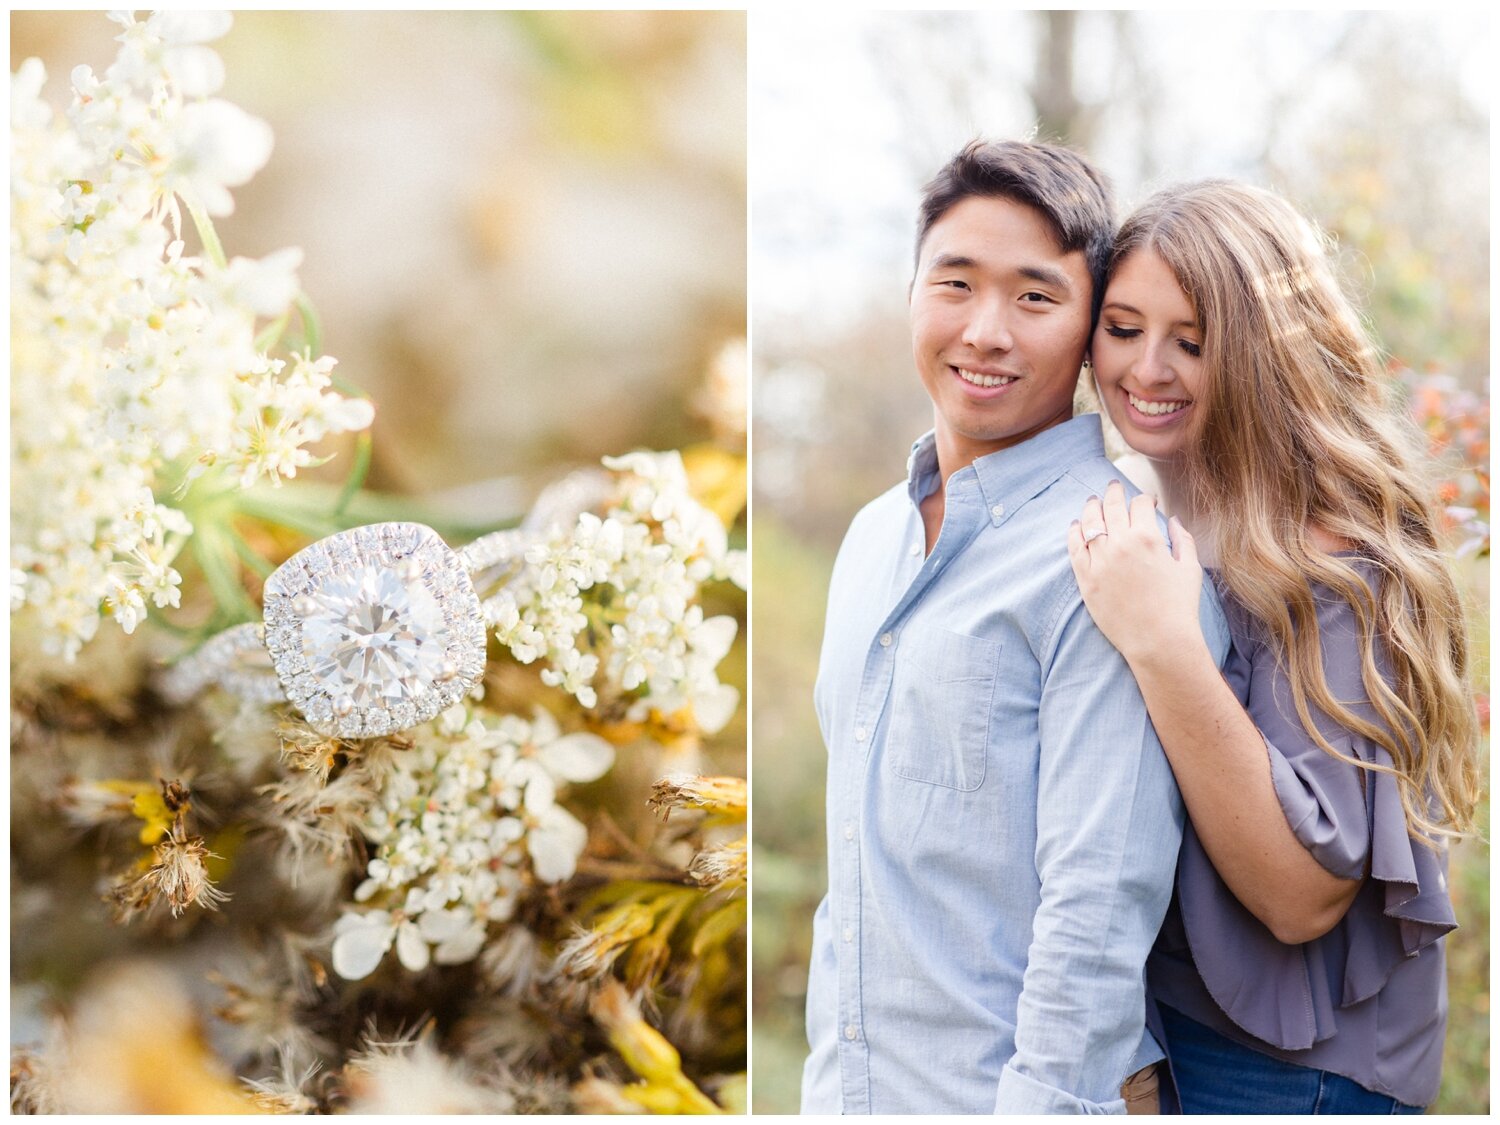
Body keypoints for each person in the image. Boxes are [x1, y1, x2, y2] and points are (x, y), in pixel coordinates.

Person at [799, 139, 1229, 1115]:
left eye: (1035, 298)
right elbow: (856, 880)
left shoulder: (1117, 555)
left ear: (1088, 332)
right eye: (955, 283)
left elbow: (1098, 915)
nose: (986, 331)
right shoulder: (872, 540)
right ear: (912, 292)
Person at [1067, 180, 1481, 1113]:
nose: (1148, 369)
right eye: (1123, 328)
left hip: (1298, 1077)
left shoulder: (1335, 559)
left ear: (1260, 353)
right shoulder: (1153, 520)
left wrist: (1164, 643)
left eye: (1195, 340)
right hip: (1172, 1039)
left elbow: (1302, 898)